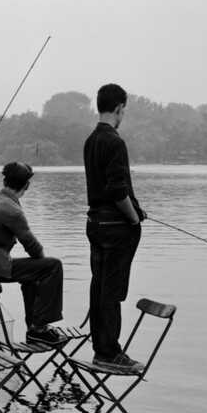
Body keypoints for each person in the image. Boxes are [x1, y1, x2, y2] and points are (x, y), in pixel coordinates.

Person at [0, 161, 67, 346]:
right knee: (53, 266)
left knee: (32, 275)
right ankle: (39, 327)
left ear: (4, 181)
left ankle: (34, 328)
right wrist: (42, 266)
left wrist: (36, 270)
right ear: (27, 185)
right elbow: (34, 249)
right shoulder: (12, 210)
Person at [83, 83, 147, 371]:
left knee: (99, 287)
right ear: (119, 108)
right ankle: (110, 353)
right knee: (112, 291)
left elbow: (107, 187)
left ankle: (100, 349)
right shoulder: (115, 142)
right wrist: (133, 218)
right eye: (124, 110)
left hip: (95, 222)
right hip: (115, 227)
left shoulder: (90, 140)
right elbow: (117, 189)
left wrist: (135, 208)